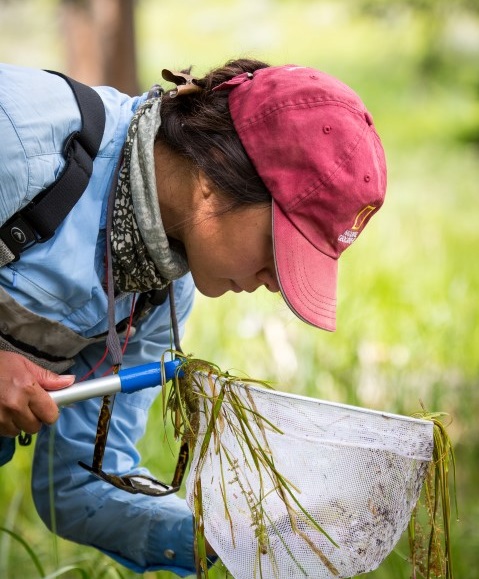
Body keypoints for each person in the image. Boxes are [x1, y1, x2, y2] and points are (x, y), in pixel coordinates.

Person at [0, 58, 387, 575]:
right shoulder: (21, 140)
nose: (275, 282)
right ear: (211, 179)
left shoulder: (158, 295)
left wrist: (237, 543)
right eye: (278, 250)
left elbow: (82, 484)